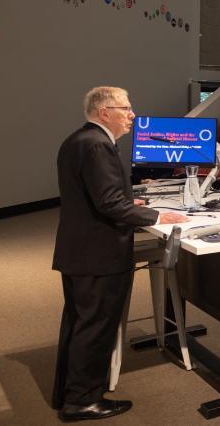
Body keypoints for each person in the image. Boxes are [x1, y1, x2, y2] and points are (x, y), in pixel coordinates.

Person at [52, 87, 187, 421]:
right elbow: (108, 203)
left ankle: (67, 393)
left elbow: (97, 194)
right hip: (98, 254)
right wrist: (157, 216)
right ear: (103, 112)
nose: (132, 114)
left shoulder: (78, 140)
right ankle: (82, 401)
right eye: (125, 108)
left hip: (79, 251)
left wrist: (130, 202)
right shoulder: (98, 144)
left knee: (79, 323)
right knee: (96, 327)